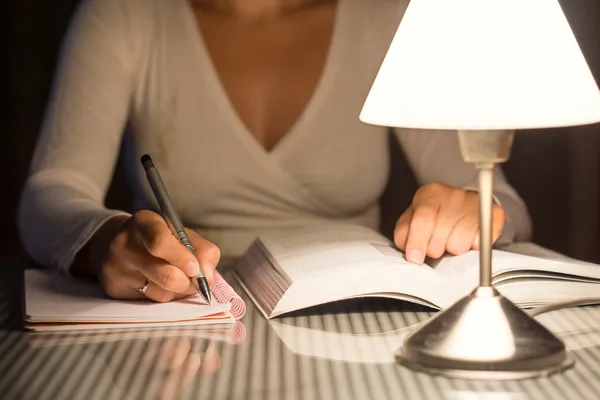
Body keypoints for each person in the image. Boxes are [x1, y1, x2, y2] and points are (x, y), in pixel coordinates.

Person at [18, 0, 532, 303]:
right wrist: (105, 238)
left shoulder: (383, 16)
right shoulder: (127, 15)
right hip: (188, 321)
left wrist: (475, 207)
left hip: (361, 324)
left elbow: (503, 201)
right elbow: (51, 193)